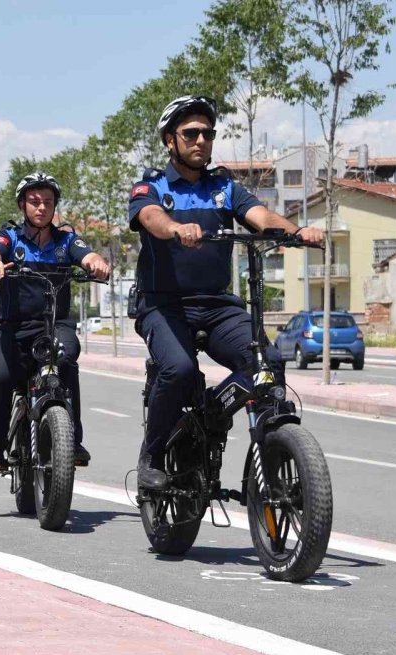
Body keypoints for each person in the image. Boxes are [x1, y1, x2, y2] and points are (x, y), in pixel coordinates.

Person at [128, 95, 325, 489]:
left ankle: (221, 418)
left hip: (217, 306)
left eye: (208, 133)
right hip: (164, 306)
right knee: (180, 370)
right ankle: (153, 455)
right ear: (171, 140)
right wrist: (174, 229)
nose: (201, 139)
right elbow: (150, 217)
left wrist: (295, 231)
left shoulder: (224, 187)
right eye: (191, 133)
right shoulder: (151, 186)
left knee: (268, 361)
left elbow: (260, 217)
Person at [0, 172, 111, 471]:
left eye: (48, 202)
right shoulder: (10, 236)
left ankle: (73, 439)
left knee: (67, 360)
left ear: (55, 207)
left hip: (55, 325)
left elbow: (86, 253)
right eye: (34, 202)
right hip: (12, 327)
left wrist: (95, 262)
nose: (41, 208)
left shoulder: (66, 240)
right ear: (22, 205)